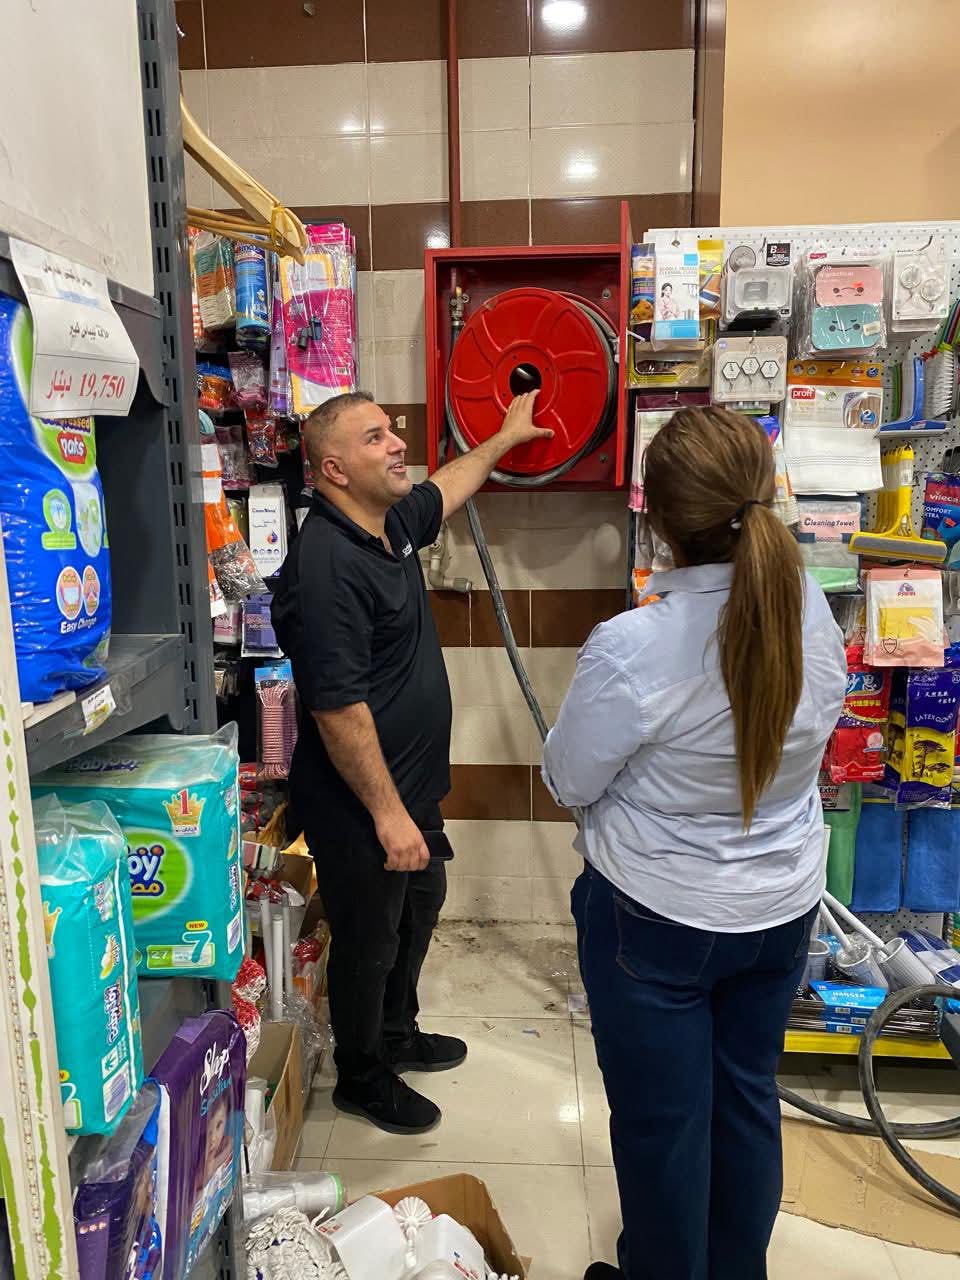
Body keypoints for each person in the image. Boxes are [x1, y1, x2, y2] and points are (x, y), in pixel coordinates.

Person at [542, 408, 846, 1280]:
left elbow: (569, 780)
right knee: (746, 1105)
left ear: (658, 521)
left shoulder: (633, 645)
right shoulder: (810, 612)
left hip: (656, 918)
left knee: (663, 1127)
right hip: (778, 910)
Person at [272, 389, 551, 1135]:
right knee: (369, 939)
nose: (398, 444)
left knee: (419, 905)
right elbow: (337, 709)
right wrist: (388, 815)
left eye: (392, 431)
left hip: (406, 788)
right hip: (359, 801)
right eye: (375, 438)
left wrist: (505, 438)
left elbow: (446, 488)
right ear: (334, 469)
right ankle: (362, 1075)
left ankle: (396, 1034)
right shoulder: (327, 564)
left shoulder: (385, 524)